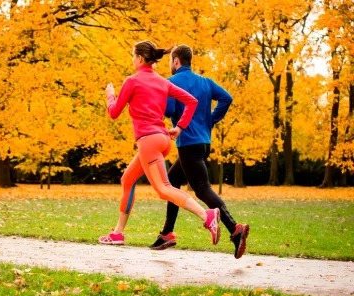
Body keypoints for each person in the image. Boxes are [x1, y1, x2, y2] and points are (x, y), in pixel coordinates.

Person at [98, 40, 221, 246]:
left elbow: (114, 112)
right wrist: (180, 127)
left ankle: (206, 216)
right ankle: (118, 233)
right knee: (127, 180)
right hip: (163, 139)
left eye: (132, 56)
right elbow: (192, 101)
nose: (132, 59)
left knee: (164, 189)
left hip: (149, 142)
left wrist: (110, 96)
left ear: (139, 58)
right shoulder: (163, 81)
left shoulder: (132, 81)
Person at [148, 44, 250, 259]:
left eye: (170, 61)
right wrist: (210, 120)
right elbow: (226, 98)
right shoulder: (205, 82)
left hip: (188, 142)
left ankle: (234, 229)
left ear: (176, 61)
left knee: (202, 188)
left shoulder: (171, 83)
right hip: (204, 141)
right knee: (172, 182)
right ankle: (167, 233)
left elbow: (168, 111)